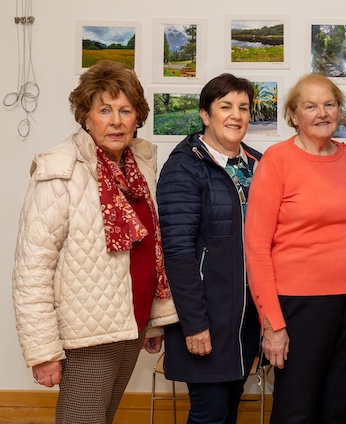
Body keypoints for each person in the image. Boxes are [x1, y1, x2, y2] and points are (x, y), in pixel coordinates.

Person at [11, 59, 176, 424]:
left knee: (102, 417)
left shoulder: (139, 167)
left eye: (125, 110)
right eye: (104, 110)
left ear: (137, 117)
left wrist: (152, 321)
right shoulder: (60, 170)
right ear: (85, 117)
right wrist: (43, 351)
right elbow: (32, 270)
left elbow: (149, 252)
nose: (116, 121)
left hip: (130, 324)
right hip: (88, 334)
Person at [245, 73, 346, 423]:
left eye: (329, 104)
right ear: (293, 114)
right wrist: (272, 324)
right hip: (299, 305)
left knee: (340, 406)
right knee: (297, 410)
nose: (322, 113)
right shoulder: (277, 160)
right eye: (310, 106)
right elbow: (256, 247)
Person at [156, 73, 262, 424]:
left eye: (243, 107)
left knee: (229, 408)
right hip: (206, 316)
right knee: (209, 414)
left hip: (246, 317)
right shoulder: (184, 166)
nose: (236, 115)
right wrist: (194, 324)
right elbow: (178, 252)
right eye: (225, 106)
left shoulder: (258, 164)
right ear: (205, 114)